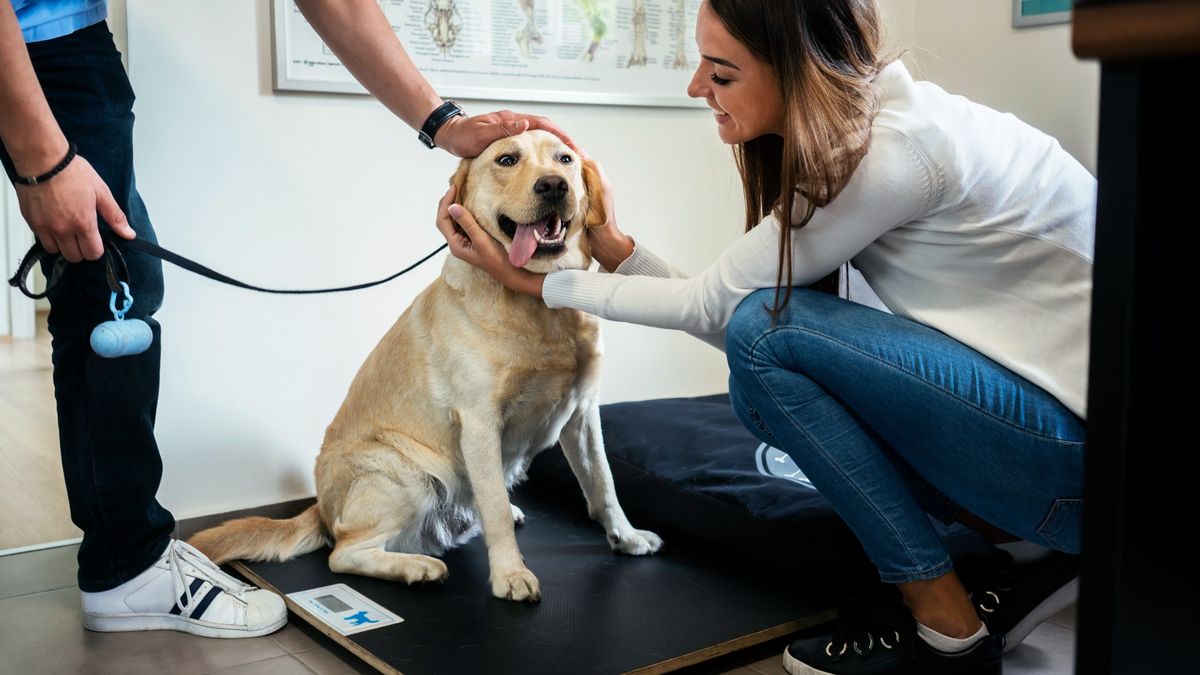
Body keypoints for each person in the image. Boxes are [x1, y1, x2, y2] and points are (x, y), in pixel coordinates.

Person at [437, 0, 1091, 673]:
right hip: (1074, 451)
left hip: (1082, 468)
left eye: (720, 73)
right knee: (761, 372)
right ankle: (1019, 553)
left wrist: (541, 284)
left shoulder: (893, 156)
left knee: (761, 339)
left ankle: (944, 622)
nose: (697, 87)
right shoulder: (881, 128)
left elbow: (728, 313)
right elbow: (760, 332)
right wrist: (611, 245)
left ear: (799, 71)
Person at [0, 0, 571, 639]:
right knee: (106, 291)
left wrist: (440, 120)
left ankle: (125, 561)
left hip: (67, 38)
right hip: (30, 43)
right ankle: (127, 571)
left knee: (119, 283)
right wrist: (44, 161)